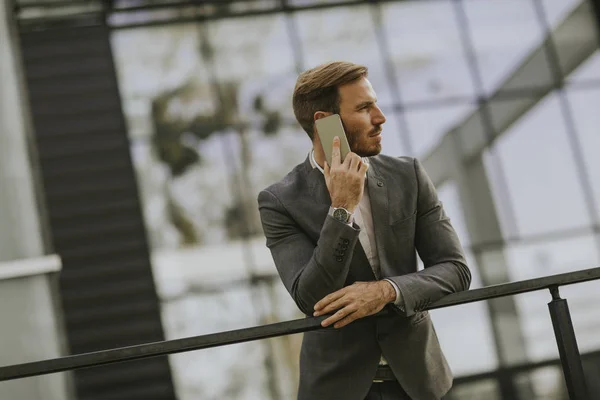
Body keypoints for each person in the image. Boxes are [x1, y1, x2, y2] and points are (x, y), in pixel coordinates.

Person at [257, 61, 471, 400]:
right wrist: (341, 209)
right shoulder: (280, 201)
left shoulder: (408, 175)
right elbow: (311, 298)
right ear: (325, 123)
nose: (381, 117)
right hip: (339, 388)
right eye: (364, 108)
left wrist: (386, 291)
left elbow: (455, 270)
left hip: (420, 382)